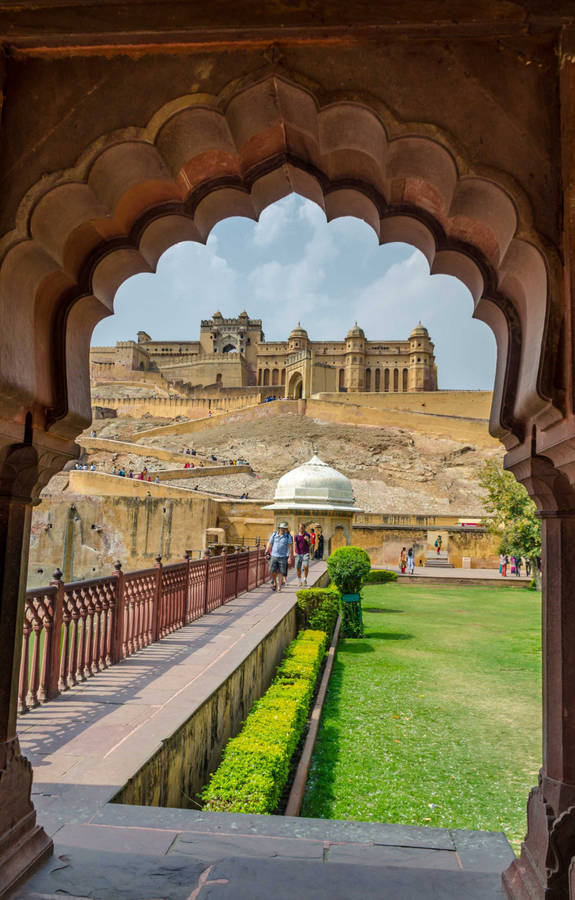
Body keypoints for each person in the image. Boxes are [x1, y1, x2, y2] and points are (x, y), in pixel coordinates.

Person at [266, 522, 294, 592]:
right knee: (272, 571)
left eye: (284, 528)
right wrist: (267, 551)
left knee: (281, 572)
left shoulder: (287, 536)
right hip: (274, 555)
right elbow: (270, 543)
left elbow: (290, 547)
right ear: (279, 528)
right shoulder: (274, 535)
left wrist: (290, 557)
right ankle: (275, 582)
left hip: (283, 556)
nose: (283, 530)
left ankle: (279, 586)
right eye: (282, 528)